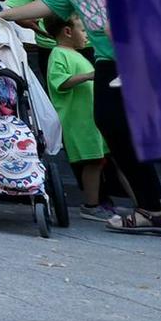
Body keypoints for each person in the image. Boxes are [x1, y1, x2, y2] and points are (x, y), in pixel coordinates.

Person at [0, 0, 161, 234]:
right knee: (111, 126)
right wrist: (2, 15)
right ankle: (150, 207)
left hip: (142, 57)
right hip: (107, 59)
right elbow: (51, 4)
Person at [47, 14, 115, 219]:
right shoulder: (58, 54)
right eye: (83, 30)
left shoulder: (77, 54)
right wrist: (89, 76)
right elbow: (59, 81)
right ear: (68, 32)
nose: (86, 35)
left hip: (91, 119)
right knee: (92, 161)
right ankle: (91, 205)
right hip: (79, 121)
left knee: (100, 160)